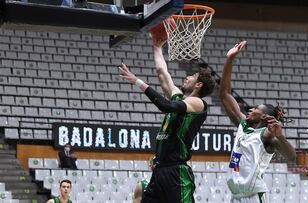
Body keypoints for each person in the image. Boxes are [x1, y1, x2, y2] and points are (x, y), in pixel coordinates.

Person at [119, 34, 215, 203]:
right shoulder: (179, 97)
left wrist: (137, 82)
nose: (187, 77)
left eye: (191, 77)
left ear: (199, 85)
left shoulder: (197, 104)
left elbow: (164, 106)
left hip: (176, 173)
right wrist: (157, 47)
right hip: (160, 170)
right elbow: (162, 73)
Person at [219, 41, 296, 203]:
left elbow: (292, 156)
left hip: (253, 197)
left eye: (255, 109)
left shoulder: (267, 136)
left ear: (262, 117)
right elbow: (225, 94)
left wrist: (281, 137)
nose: (250, 110)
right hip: (235, 196)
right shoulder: (243, 124)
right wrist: (230, 60)